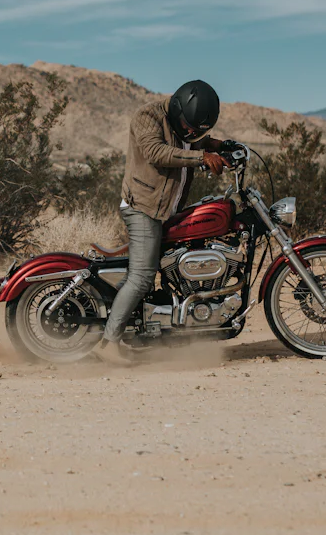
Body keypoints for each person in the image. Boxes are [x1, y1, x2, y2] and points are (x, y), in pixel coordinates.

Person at [94, 80, 229, 362]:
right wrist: (202, 157)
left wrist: (222, 146)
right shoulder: (148, 117)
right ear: (178, 107)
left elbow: (192, 139)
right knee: (143, 277)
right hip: (143, 208)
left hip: (166, 208)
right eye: (189, 127)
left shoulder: (186, 126)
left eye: (197, 130)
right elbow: (156, 151)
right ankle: (107, 344)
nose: (191, 132)